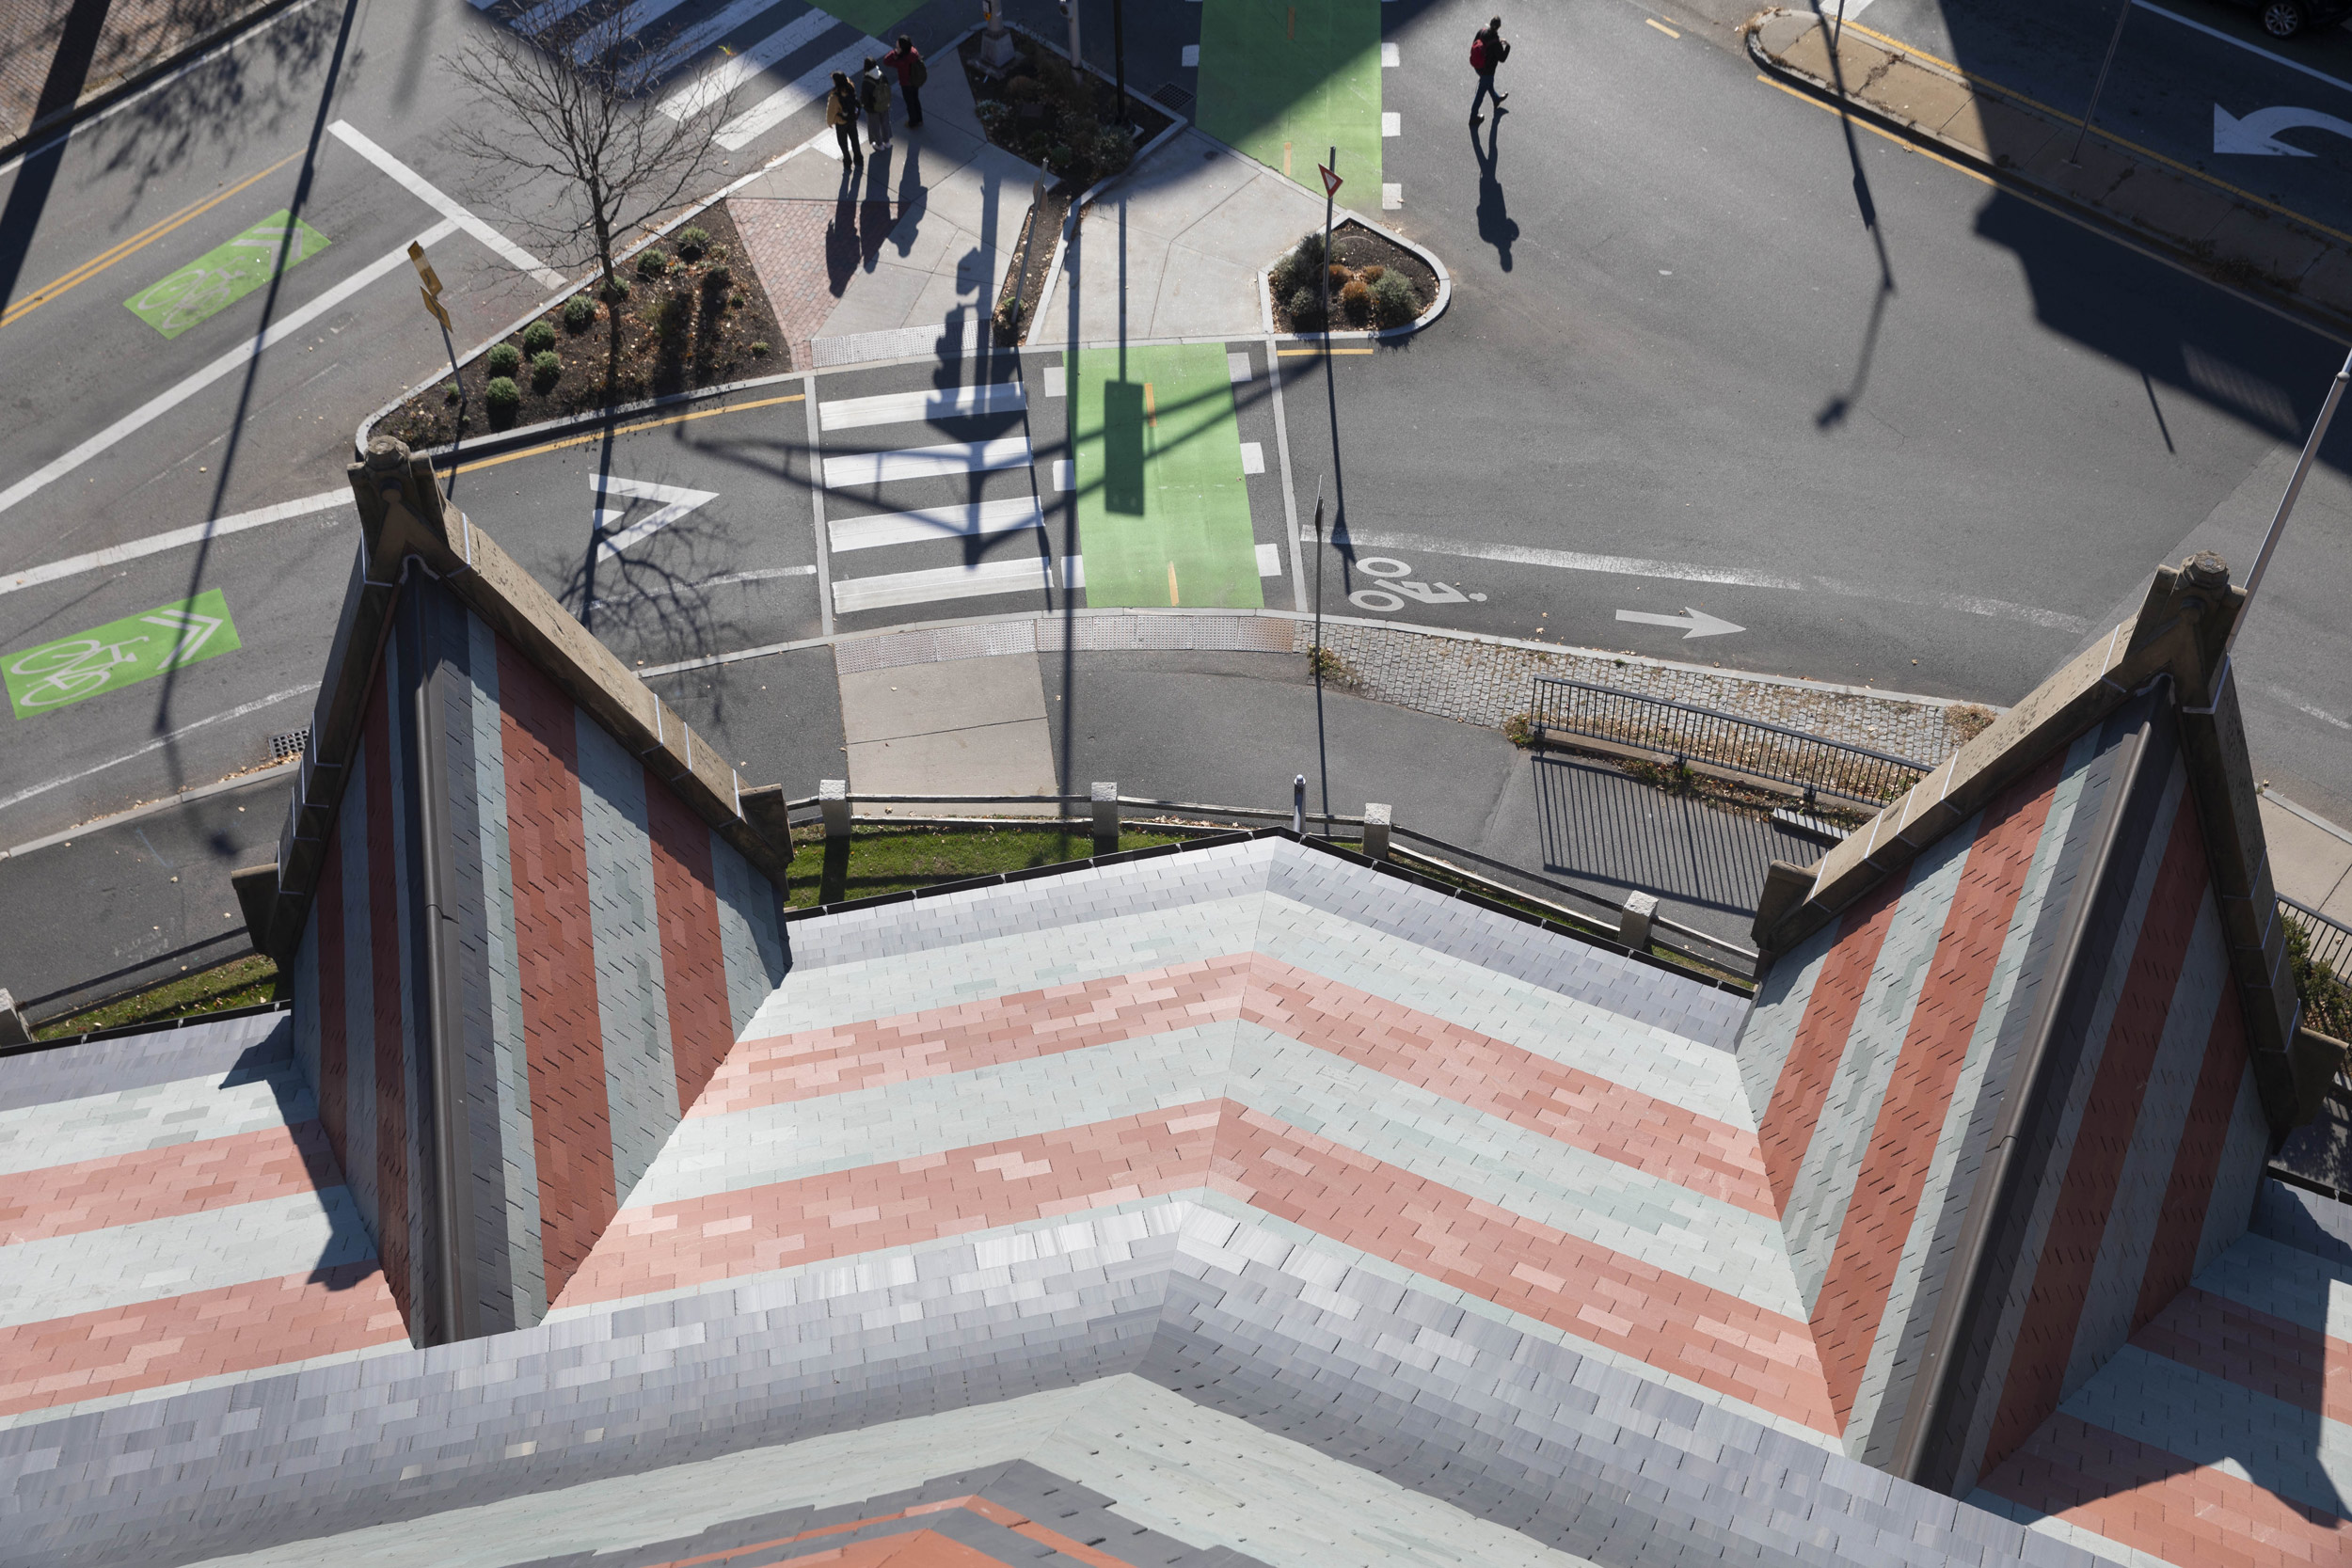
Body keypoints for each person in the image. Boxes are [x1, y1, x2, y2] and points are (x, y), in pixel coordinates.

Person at [1470, 16, 1509, 127]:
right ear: (1499, 27)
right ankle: (1473, 118)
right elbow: (1502, 58)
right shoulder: (1496, 43)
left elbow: (1475, 43)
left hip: (1478, 67)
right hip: (1488, 72)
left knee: (1488, 84)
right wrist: (1508, 47)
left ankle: (1496, 99)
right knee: (1480, 94)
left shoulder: (1482, 32)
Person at [884, 35, 927, 129]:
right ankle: (919, 119)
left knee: (910, 103)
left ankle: (913, 122)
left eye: (898, 46)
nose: (896, 47)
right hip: (915, 81)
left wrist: (895, 52)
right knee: (915, 99)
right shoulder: (913, 52)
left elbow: (886, 61)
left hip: (906, 84)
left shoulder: (902, 60)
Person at [827, 71, 861, 166]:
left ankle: (847, 160)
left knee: (843, 143)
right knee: (854, 139)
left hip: (841, 123)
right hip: (852, 119)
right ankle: (858, 159)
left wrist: (830, 122)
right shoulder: (851, 87)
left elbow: (831, 112)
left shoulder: (835, 97)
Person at [860, 56, 894, 150]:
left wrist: (863, 105)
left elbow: (864, 98)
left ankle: (879, 145)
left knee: (874, 126)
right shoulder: (882, 75)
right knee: (885, 123)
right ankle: (887, 142)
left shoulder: (866, 81)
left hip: (872, 108)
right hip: (884, 105)